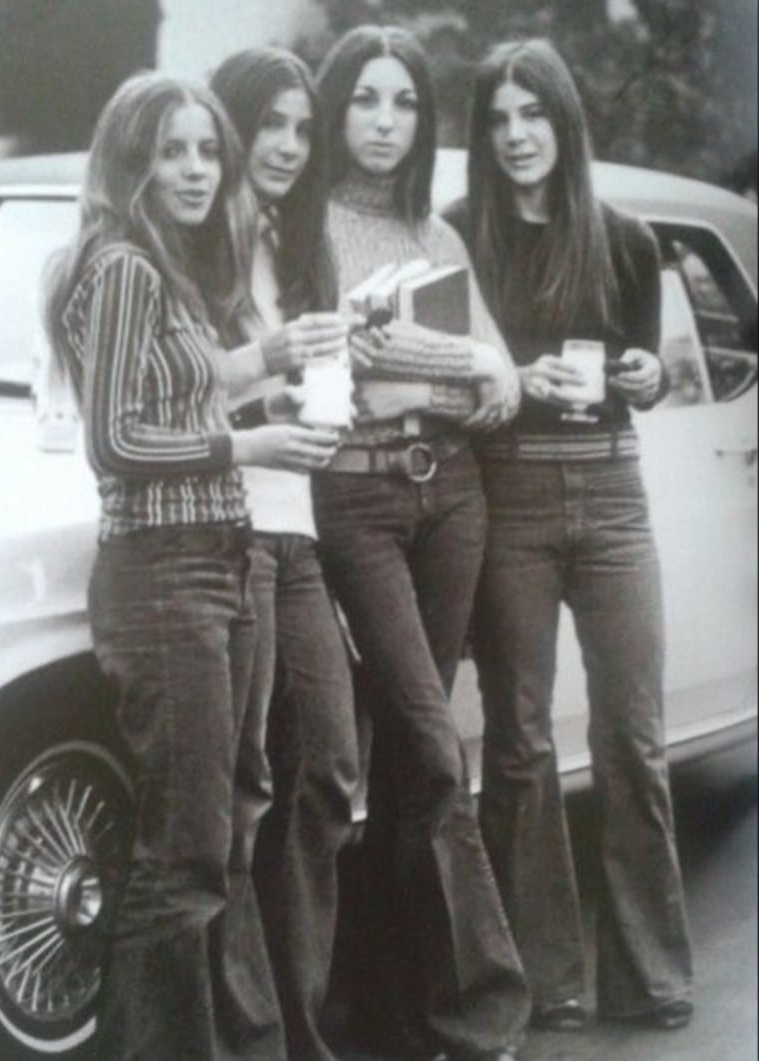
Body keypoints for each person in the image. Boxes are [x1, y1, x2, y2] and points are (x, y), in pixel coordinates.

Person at [44, 71, 340, 1060]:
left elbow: (184, 393)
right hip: (165, 574)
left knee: (221, 835)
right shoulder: (124, 267)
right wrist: (251, 444)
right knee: (183, 854)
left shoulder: (167, 271)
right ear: (130, 161)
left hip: (221, 557)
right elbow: (115, 441)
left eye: (208, 151)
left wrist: (270, 376)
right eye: (170, 151)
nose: (196, 170)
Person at [443, 37, 694, 1034]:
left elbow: (650, 368)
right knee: (518, 739)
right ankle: (545, 977)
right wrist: (508, 384)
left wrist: (648, 375)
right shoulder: (458, 236)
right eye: (499, 119)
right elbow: (444, 380)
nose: (516, 136)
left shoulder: (625, 238)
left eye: (533, 113)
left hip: (613, 491)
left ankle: (650, 974)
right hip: (509, 493)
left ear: (563, 120)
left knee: (631, 733)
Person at [312, 25, 530, 1061]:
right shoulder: (306, 226)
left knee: (409, 755)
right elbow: (344, 361)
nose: (385, 122)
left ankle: (387, 1007)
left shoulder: (437, 235)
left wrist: (454, 366)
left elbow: (503, 382)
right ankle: (484, 1009)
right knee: (433, 745)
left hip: (453, 497)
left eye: (403, 102)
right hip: (356, 502)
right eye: (365, 98)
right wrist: (460, 363)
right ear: (335, 108)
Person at [208, 47, 360, 1061]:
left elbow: (321, 391)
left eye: (303, 129)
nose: (290, 146)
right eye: (269, 123)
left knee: (328, 770)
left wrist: (323, 398)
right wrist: (267, 387)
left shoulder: (298, 246)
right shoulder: (192, 242)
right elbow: (170, 395)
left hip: (296, 529)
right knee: (238, 788)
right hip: (227, 526)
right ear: (228, 126)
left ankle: (298, 1027)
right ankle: (248, 1037)